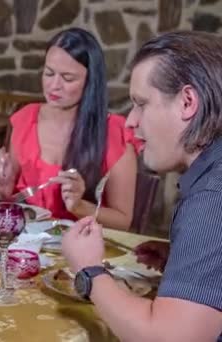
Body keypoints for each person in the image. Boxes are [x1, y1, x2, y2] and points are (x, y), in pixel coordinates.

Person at [62, 30, 222, 341]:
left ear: (188, 102)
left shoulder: (212, 197)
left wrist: (90, 271)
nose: (131, 121)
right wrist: (182, 257)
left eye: (141, 104)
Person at [0, 27, 139, 230]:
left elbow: (123, 222)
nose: (54, 86)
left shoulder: (115, 132)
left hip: (82, 247)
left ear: (90, 82)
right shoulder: (25, 120)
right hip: (29, 245)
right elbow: (12, 203)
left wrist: (79, 206)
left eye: (68, 78)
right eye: (49, 73)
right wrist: (3, 190)